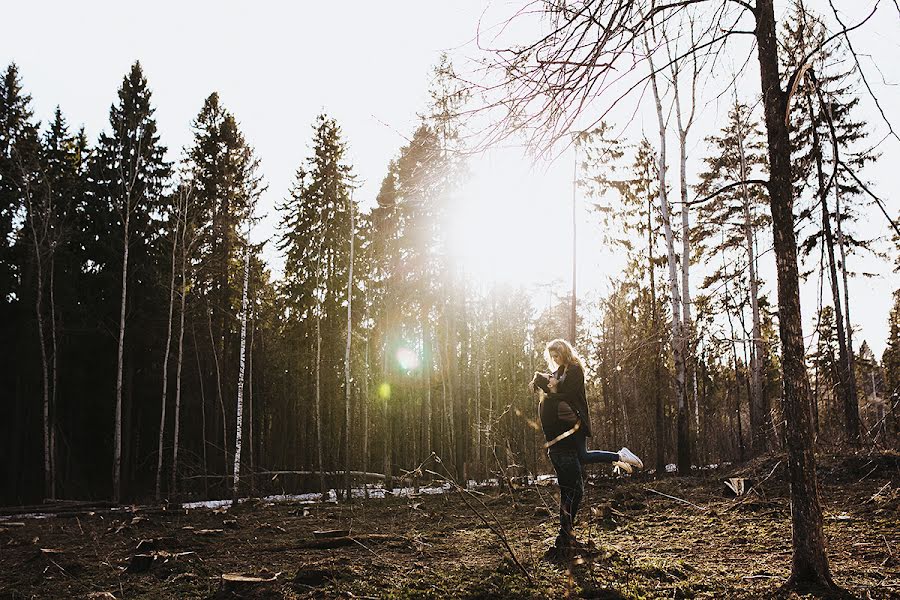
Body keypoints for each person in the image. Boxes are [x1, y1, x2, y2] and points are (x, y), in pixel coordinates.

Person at [530, 338, 643, 554]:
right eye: (552, 358)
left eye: (557, 356)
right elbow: (557, 397)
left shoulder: (573, 370)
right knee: (577, 478)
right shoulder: (557, 385)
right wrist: (549, 387)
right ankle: (618, 456)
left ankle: (565, 535)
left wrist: (549, 386)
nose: (553, 363)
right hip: (567, 437)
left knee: (576, 475)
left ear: (564, 352)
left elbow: (569, 395)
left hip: (574, 428)